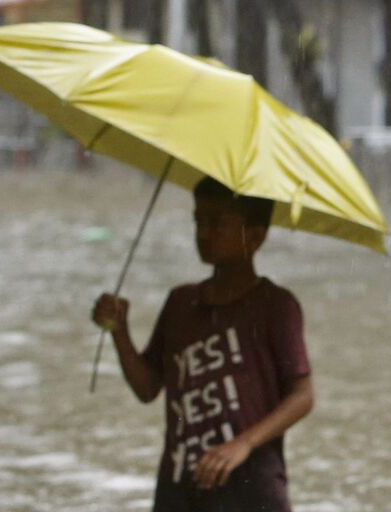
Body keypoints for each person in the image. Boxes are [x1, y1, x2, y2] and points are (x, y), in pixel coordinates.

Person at [90, 178, 315, 511]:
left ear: (256, 236)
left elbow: (302, 396)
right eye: (199, 220)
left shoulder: (275, 306)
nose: (204, 233)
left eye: (218, 223)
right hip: (180, 488)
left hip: (252, 489)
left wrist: (243, 444)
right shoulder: (181, 302)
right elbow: (148, 387)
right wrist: (119, 331)